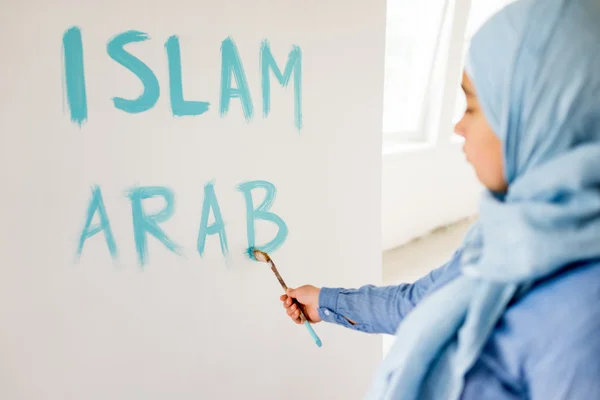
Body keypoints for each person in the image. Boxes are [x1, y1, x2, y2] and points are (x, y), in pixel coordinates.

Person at [281, 0, 600, 398]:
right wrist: (324, 303)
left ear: (541, 118)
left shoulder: (584, 325)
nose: (459, 126)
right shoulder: (501, 236)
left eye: (473, 105)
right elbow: (420, 302)